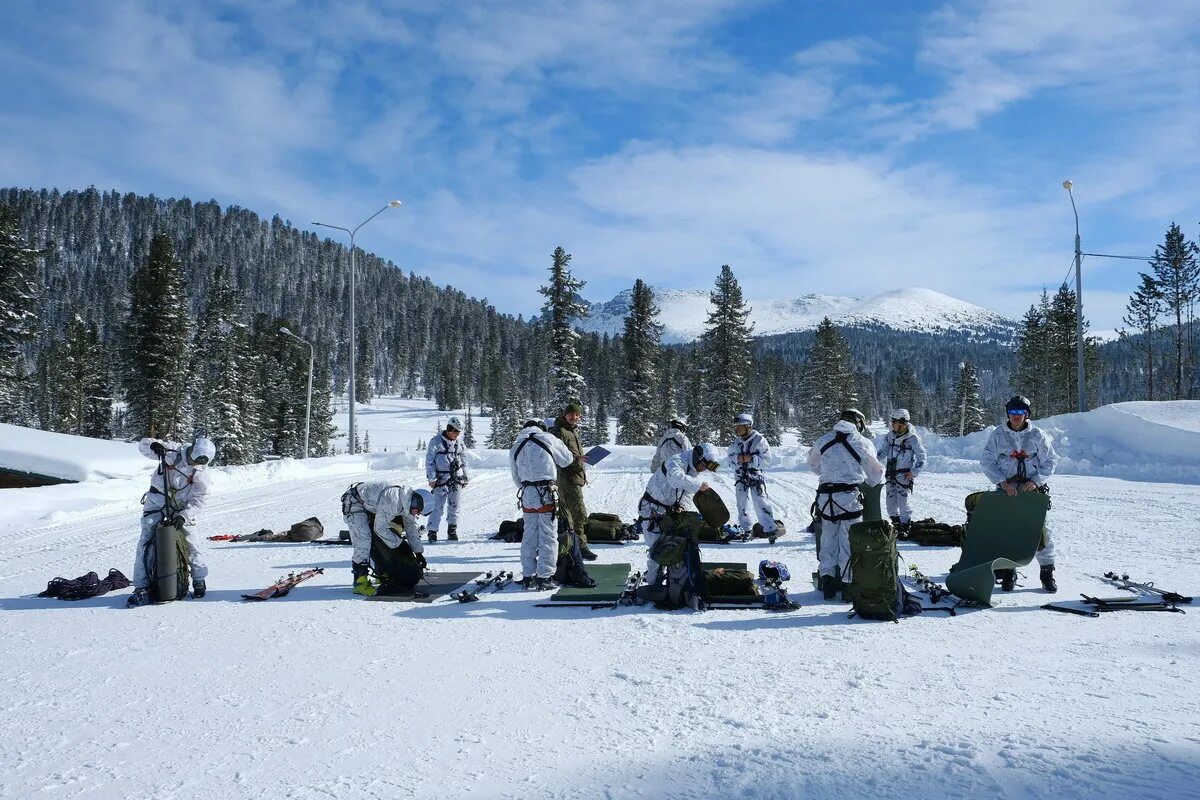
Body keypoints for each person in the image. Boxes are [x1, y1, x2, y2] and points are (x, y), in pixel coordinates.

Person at [980, 395, 1060, 592]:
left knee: (1041, 532)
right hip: (1006, 491)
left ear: (1026, 414)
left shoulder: (1038, 435)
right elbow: (987, 461)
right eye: (1012, 412)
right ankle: (1009, 572)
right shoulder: (998, 435)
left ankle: (1047, 572)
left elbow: (1050, 461)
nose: (1016, 416)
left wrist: (1035, 481)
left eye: (1020, 412)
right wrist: (1001, 482)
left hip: (1031, 491)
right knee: (1007, 532)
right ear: (1008, 413)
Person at [127, 434, 216, 606]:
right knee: (146, 542)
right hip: (157, 502)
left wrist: (184, 516)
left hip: (181, 508)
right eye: (191, 458)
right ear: (190, 449)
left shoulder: (201, 472)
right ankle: (141, 588)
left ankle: (199, 579)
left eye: (197, 462)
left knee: (191, 541)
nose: (192, 463)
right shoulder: (172, 451)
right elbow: (143, 446)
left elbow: (199, 499)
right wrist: (154, 446)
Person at [807, 409, 885, 600]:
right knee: (848, 542)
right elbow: (876, 473)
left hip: (826, 500)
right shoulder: (861, 442)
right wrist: (867, 484)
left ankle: (827, 582)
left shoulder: (823, 439)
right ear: (859, 423)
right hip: (849, 499)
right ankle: (848, 587)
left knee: (828, 541)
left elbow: (812, 464)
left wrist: (827, 474)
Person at [638, 442, 721, 580]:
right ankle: (652, 585)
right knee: (656, 551)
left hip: (668, 512)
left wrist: (682, 506)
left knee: (672, 548)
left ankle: (671, 583)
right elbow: (675, 479)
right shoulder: (676, 461)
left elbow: (687, 493)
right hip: (650, 510)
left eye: (707, 468)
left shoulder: (693, 470)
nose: (703, 470)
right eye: (703, 465)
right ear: (697, 457)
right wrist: (699, 486)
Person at [510, 418, 576, 590]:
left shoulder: (516, 446)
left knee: (529, 534)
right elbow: (567, 459)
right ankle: (544, 577)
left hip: (527, 494)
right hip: (546, 492)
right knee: (548, 535)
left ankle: (527, 575)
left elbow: (516, 478)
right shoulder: (548, 438)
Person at [340, 482, 433, 596]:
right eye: (418, 511)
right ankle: (360, 582)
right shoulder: (393, 500)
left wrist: (418, 552)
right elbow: (380, 529)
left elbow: (411, 529)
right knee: (364, 539)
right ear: (415, 503)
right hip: (354, 502)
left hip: (371, 505)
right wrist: (400, 545)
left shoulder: (408, 503)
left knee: (382, 539)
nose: (417, 514)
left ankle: (382, 572)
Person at [549, 401, 597, 561]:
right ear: (565, 415)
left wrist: (580, 460)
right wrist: (577, 459)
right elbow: (558, 456)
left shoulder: (572, 431)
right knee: (578, 515)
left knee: (571, 515)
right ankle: (580, 548)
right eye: (571, 414)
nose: (574, 417)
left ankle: (570, 546)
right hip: (567, 479)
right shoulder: (560, 431)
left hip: (574, 478)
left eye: (577, 415)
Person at [727, 412, 777, 537]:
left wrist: (751, 459)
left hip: (756, 476)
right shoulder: (736, 443)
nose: (737, 429)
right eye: (736, 426)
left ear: (748, 426)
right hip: (740, 477)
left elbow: (766, 460)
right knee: (742, 503)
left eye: (740, 426)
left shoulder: (759, 440)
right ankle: (746, 529)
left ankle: (770, 528)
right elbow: (730, 461)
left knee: (761, 501)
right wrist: (738, 460)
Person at [877, 408, 927, 533]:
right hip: (890, 475)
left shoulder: (913, 439)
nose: (892, 424)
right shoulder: (890, 437)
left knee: (903, 503)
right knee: (890, 504)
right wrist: (871, 460)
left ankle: (906, 525)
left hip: (904, 476)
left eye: (894, 421)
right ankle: (896, 524)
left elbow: (922, 458)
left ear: (902, 423)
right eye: (891, 421)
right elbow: (882, 452)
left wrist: (914, 472)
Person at [425, 416, 469, 542]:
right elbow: (430, 461)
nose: (457, 435)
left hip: (456, 479)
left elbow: (464, 460)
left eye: (459, 432)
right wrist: (432, 478)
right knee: (437, 507)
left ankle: (452, 530)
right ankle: (432, 531)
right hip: (440, 479)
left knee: (455, 506)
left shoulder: (459, 444)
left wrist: (465, 476)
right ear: (450, 429)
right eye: (456, 432)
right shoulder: (436, 442)